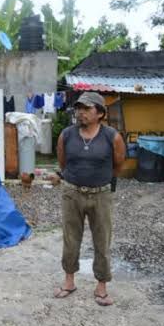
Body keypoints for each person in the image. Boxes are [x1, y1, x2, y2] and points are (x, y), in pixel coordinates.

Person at [54, 92, 126, 306]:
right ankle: (69, 282)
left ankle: (101, 286)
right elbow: (63, 163)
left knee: (102, 240)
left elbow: (118, 165)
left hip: (101, 195)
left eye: (87, 109)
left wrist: (100, 181)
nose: (80, 112)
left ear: (100, 113)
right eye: (79, 108)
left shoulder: (112, 137)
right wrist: (73, 179)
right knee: (70, 238)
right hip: (72, 194)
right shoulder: (67, 135)